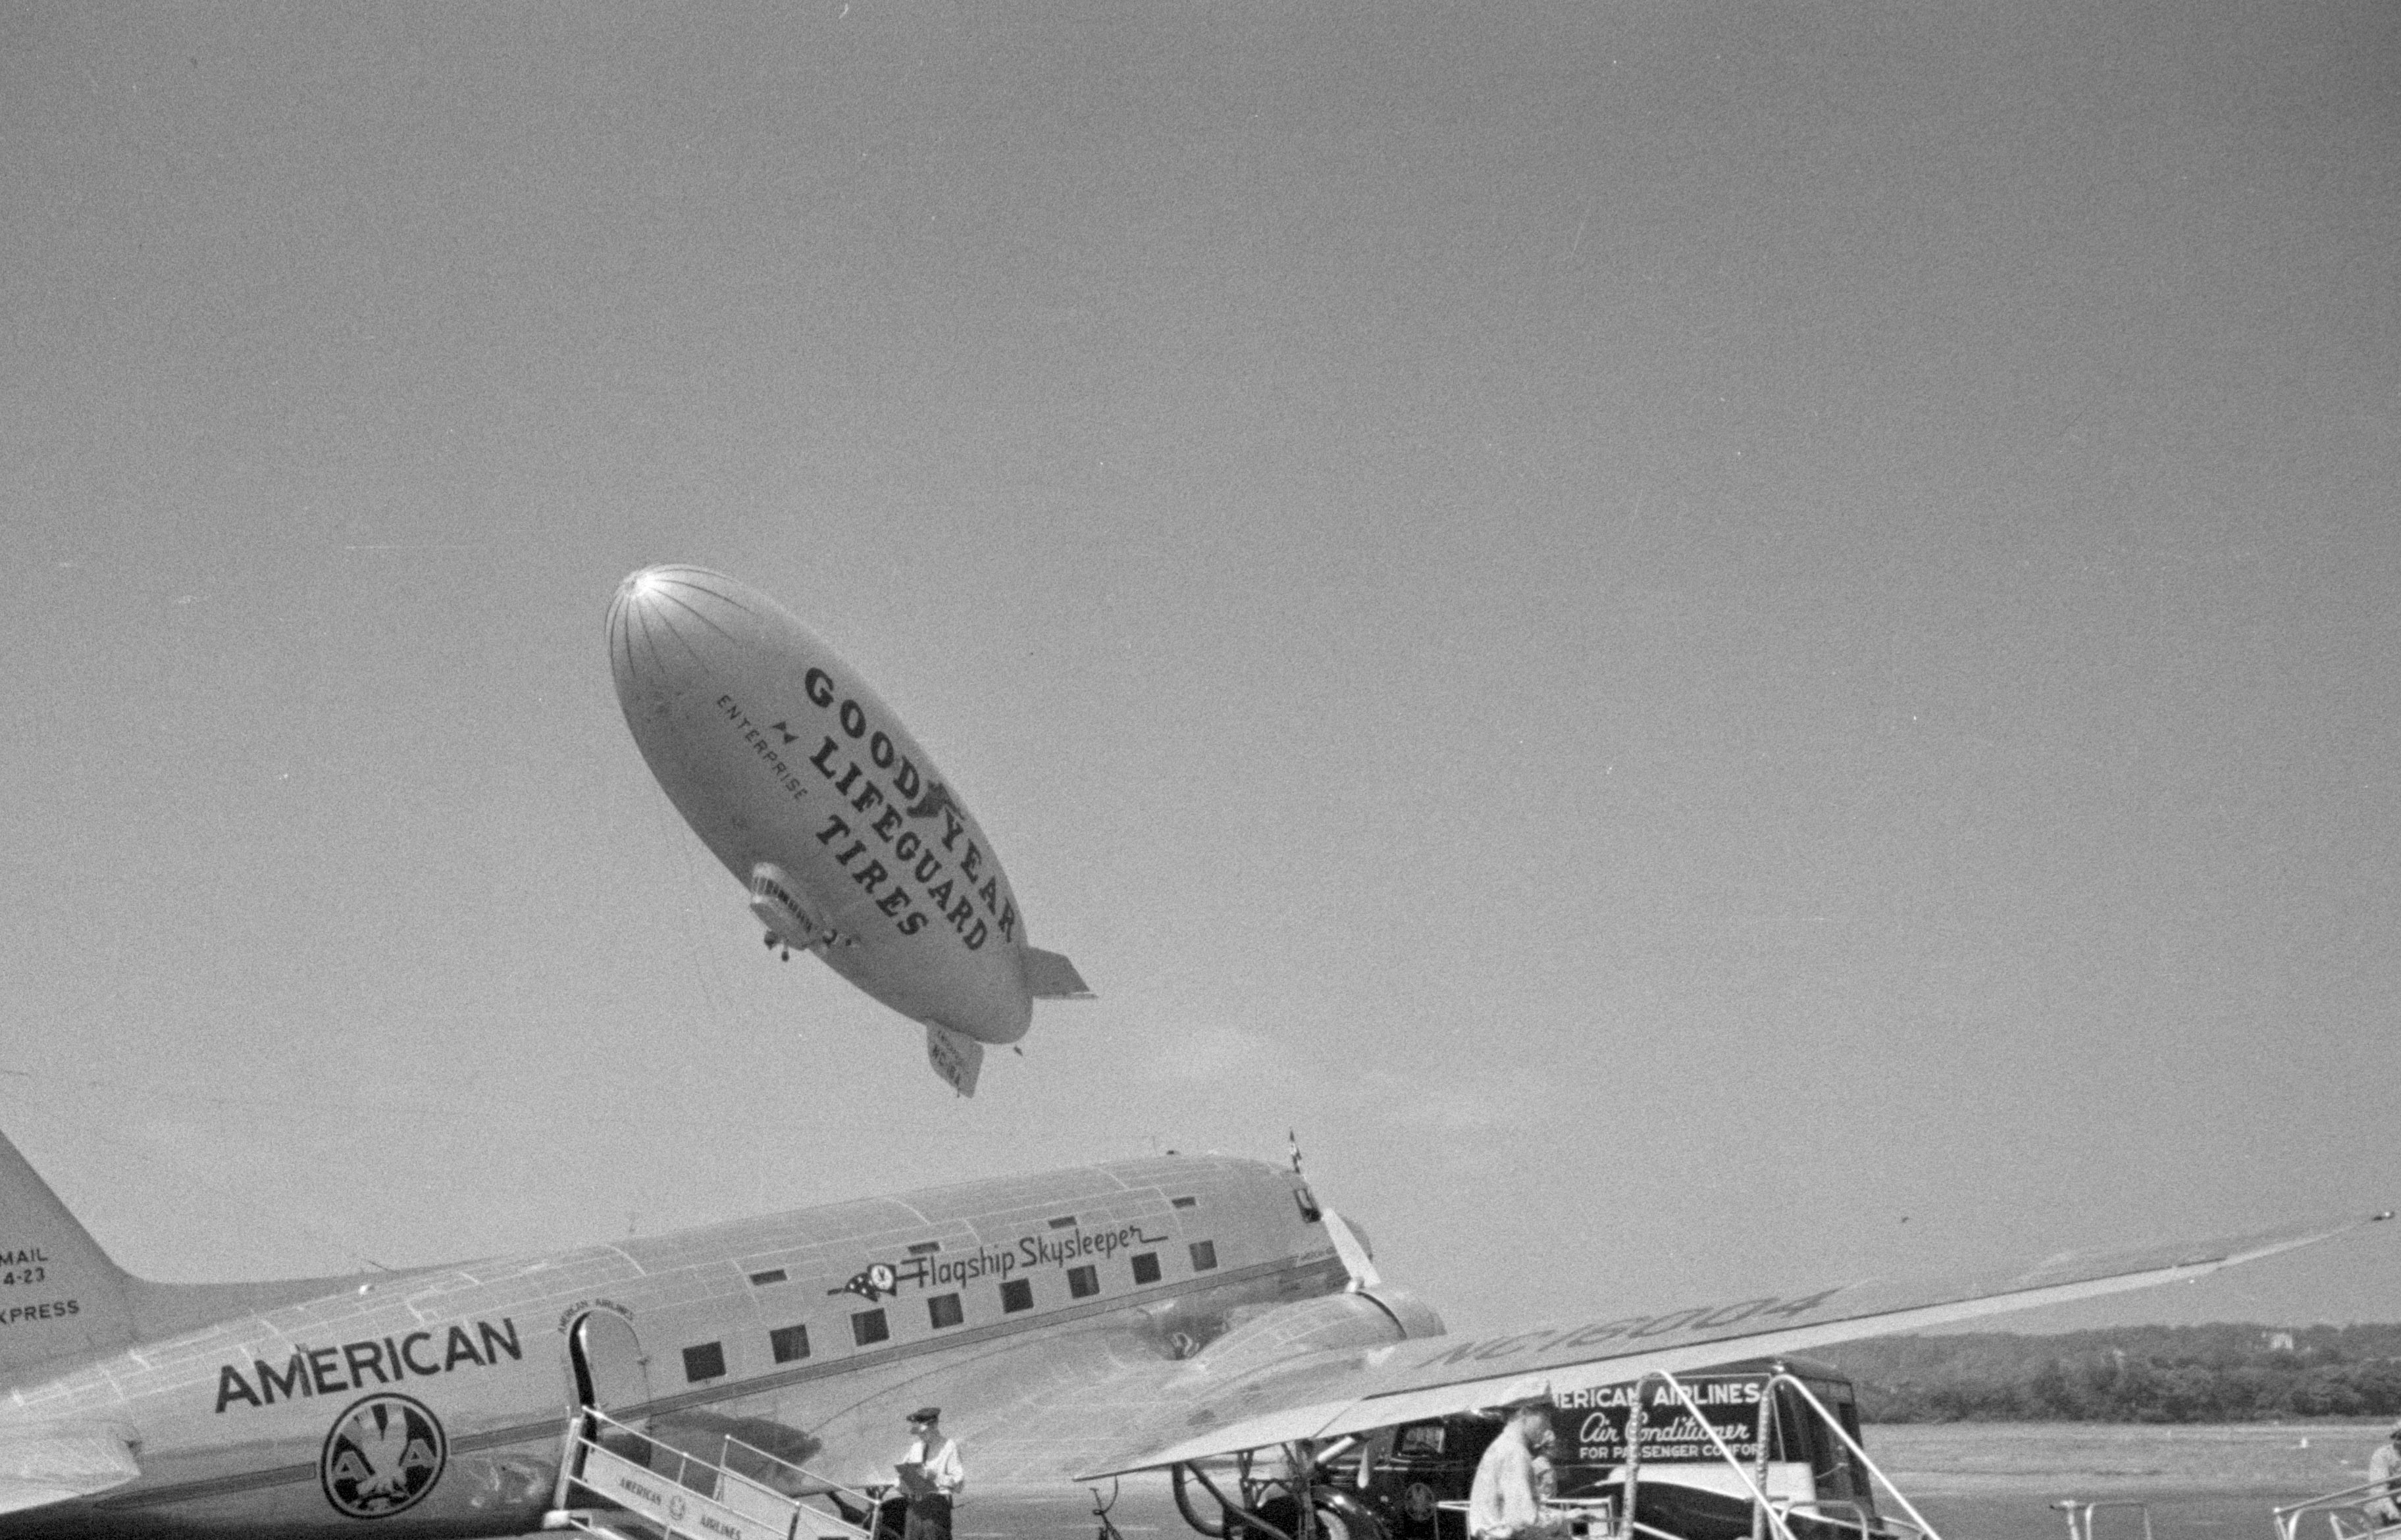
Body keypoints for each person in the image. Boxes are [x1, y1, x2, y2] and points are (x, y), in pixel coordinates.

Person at [1467, 1401, 1568, 1540]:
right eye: (1545, 1417)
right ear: (1524, 1413)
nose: (1548, 1426)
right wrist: (1564, 1517)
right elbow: (1522, 1521)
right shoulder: (1516, 1453)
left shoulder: (1503, 1446)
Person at [896, 1406, 966, 1540]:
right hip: (914, 1509)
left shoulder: (949, 1447)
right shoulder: (915, 1448)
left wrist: (936, 1477)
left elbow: (959, 1483)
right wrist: (899, 1483)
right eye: (918, 1433)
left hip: (936, 1509)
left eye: (923, 1432)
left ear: (934, 1425)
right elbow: (904, 1471)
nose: (920, 1436)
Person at [2369, 1421, 2401, 1528]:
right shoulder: (2383, 1455)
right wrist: (2392, 1512)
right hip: (2387, 1507)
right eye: (2399, 1437)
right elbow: (2378, 1489)